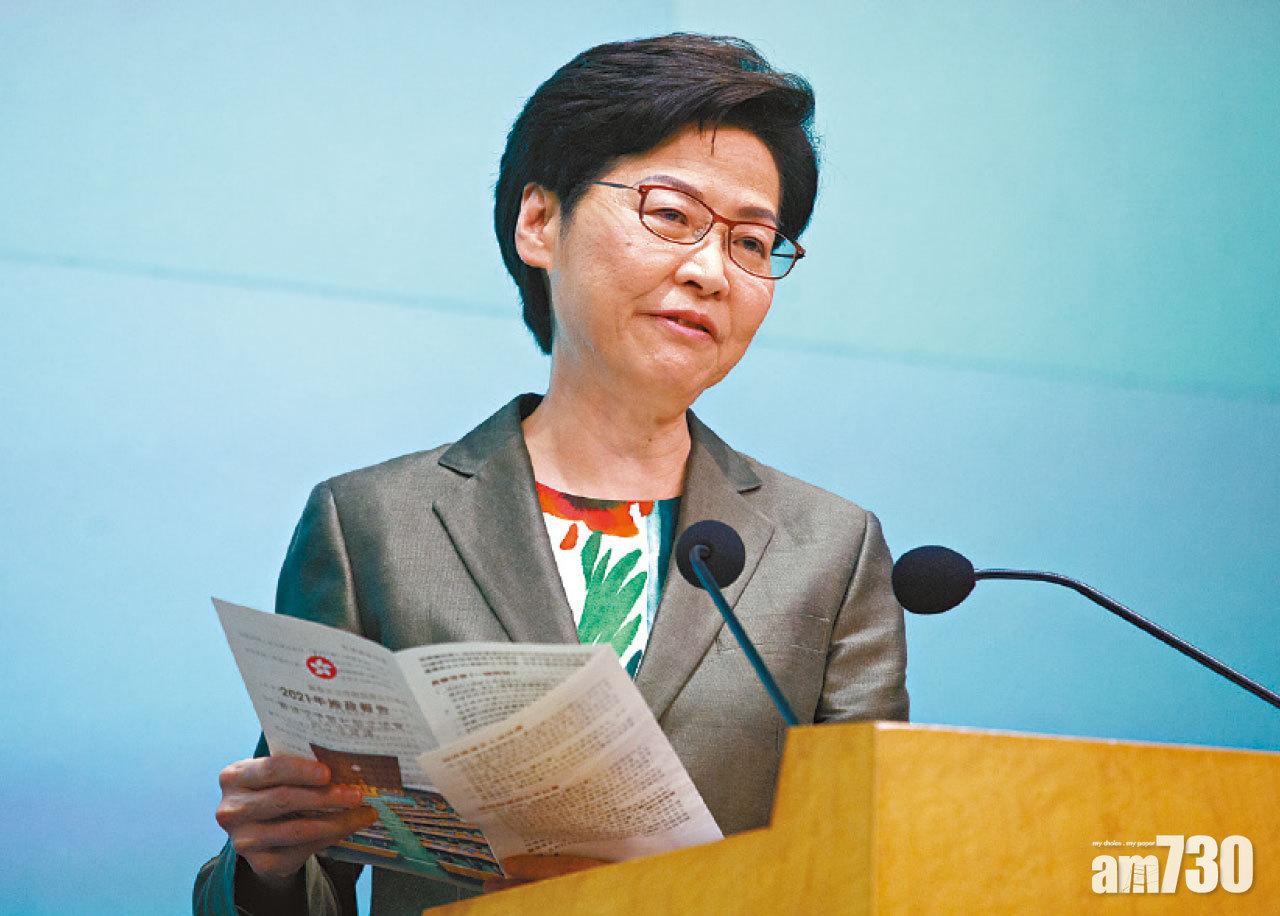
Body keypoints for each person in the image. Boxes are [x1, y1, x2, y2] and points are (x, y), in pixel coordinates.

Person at [194, 32, 908, 916]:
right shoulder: (373, 524)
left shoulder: (829, 551)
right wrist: (266, 870)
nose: (709, 272)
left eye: (753, 243)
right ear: (540, 223)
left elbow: (870, 867)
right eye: (670, 215)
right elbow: (311, 870)